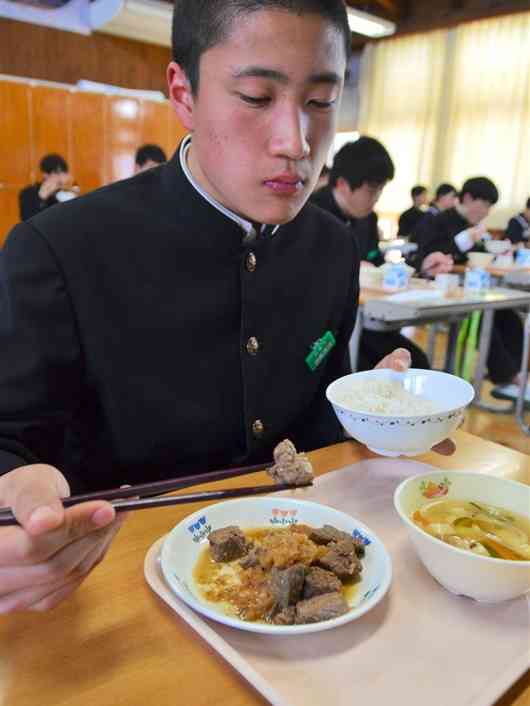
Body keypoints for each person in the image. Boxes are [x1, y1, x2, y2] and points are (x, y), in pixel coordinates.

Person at [0, 0, 452, 616]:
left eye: (321, 102)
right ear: (182, 93)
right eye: (257, 97)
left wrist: (375, 409)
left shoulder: (331, 248)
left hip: (303, 576)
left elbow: (313, 416)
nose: (295, 143)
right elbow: (11, 440)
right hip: (116, 582)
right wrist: (16, 493)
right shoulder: (59, 249)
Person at [311, 137, 433, 371]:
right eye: (371, 190)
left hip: (365, 320)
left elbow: (377, 263)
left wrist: (422, 267)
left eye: (380, 189)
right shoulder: (311, 215)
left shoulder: (368, 218)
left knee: (416, 363)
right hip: (324, 329)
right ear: (343, 184)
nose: (376, 198)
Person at [416, 177, 524, 386]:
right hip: (439, 291)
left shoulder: (475, 228)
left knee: (509, 316)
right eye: (483, 205)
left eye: (489, 207)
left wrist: (499, 249)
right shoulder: (437, 220)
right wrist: (465, 240)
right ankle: (508, 377)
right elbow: (426, 255)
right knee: (483, 316)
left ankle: (514, 376)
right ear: (467, 198)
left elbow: (479, 255)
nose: (485, 212)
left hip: (468, 288)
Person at [18, 154, 76, 221]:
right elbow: (27, 220)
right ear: (45, 175)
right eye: (57, 173)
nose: (61, 177)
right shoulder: (28, 193)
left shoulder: (67, 192)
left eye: (64, 172)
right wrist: (41, 198)